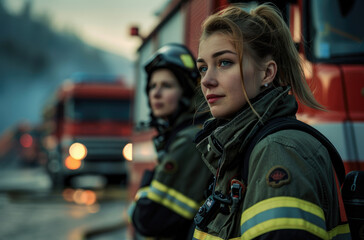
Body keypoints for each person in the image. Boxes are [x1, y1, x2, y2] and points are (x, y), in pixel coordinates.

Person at [192, 3, 351, 240]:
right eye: (203, 68)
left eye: (224, 62)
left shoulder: (278, 151)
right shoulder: (243, 147)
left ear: (267, 73)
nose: (207, 80)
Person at [129, 43, 212, 239]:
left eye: (166, 86)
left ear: (186, 93)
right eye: (152, 86)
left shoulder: (191, 140)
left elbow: (148, 219)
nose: (156, 94)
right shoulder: (184, 133)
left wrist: (145, 186)